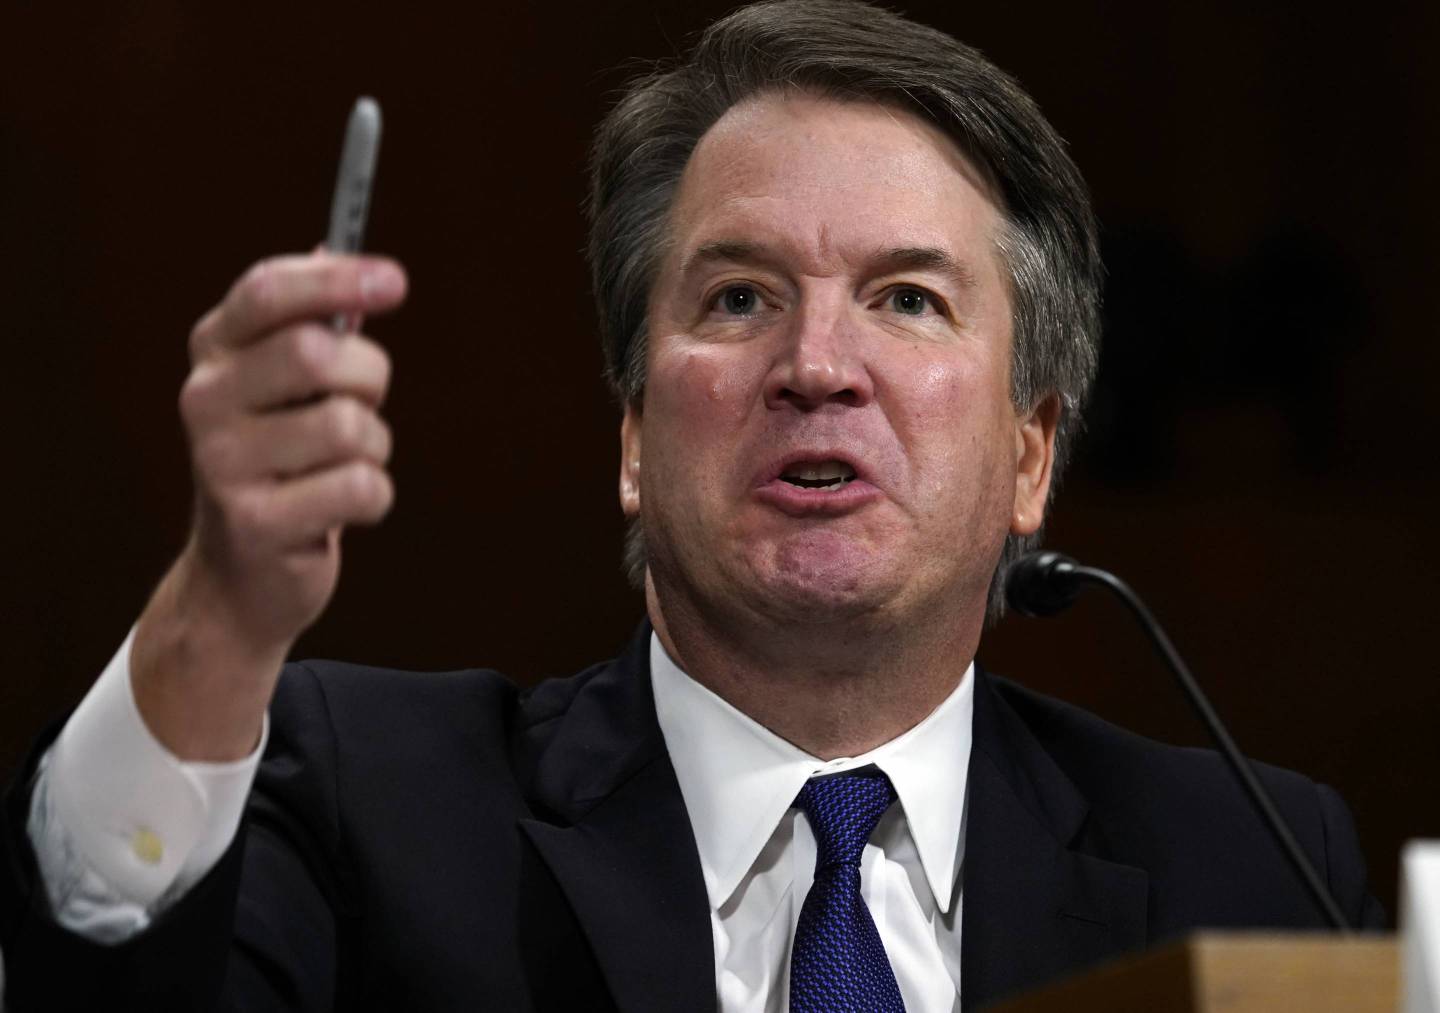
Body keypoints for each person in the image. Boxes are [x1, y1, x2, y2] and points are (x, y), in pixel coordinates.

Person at [0, 1, 1384, 1010]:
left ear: (1032, 456)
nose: (817, 367)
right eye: (739, 298)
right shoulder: (370, 803)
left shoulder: (1249, 859)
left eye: (906, 299)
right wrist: (217, 618)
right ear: (633, 436)